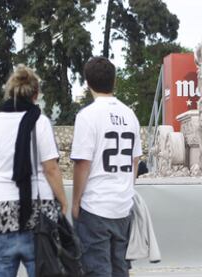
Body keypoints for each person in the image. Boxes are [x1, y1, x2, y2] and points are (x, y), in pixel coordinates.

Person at [0, 65, 67, 277]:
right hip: (39, 212)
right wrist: (63, 201)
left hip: (1, 209)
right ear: (36, 95)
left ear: (9, 92)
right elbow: (51, 168)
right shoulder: (41, 122)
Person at [71, 57, 142, 277]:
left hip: (95, 205)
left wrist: (75, 203)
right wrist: (126, 190)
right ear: (114, 81)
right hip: (122, 205)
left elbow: (83, 163)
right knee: (120, 267)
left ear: (87, 82)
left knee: (97, 269)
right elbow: (135, 160)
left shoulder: (87, 116)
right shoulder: (129, 114)